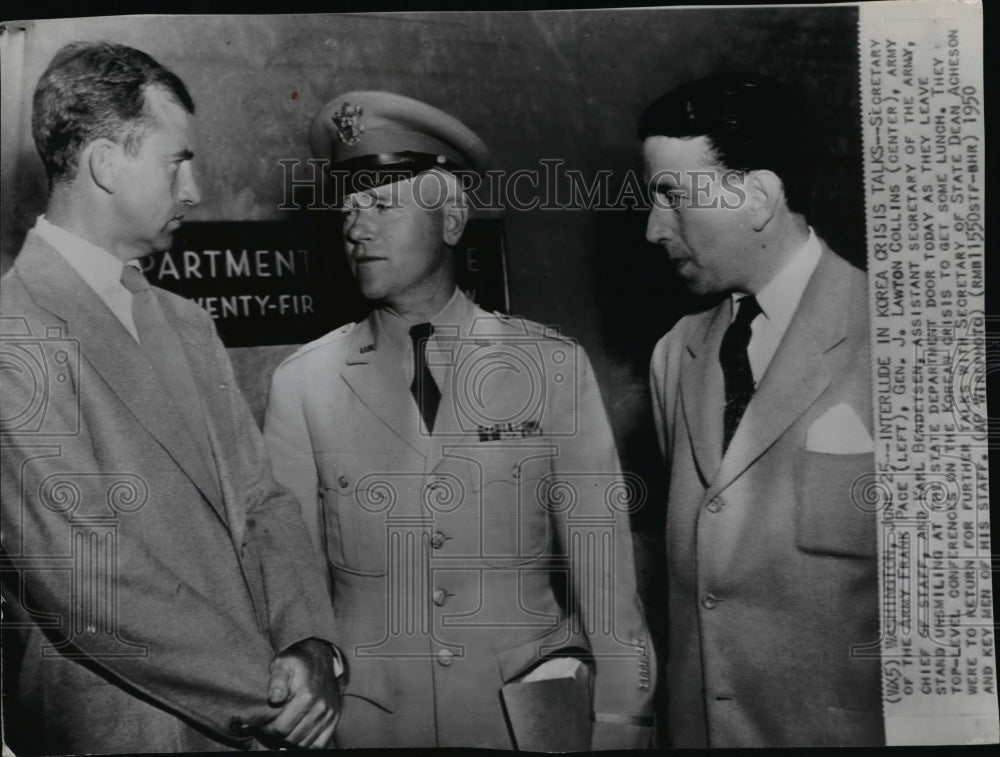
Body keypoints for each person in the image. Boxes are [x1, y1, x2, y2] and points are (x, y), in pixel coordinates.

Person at [264, 91, 655, 749]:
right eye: (349, 208)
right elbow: (293, 593)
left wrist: (622, 724)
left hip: (527, 725)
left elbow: (609, 589)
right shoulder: (302, 384)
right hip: (371, 729)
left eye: (383, 204)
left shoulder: (551, 366)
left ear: (452, 217)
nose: (356, 228)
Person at [0, 42, 344, 754]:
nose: (194, 189)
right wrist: (274, 694)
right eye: (176, 161)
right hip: (135, 728)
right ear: (103, 163)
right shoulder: (13, 328)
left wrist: (312, 643)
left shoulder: (187, 321)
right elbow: (85, 579)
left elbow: (264, 501)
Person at [641, 73, 881, 747]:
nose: (654, 228)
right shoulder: (674, 355)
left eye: (670, 198)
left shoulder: (901, 335)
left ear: (758, 197)